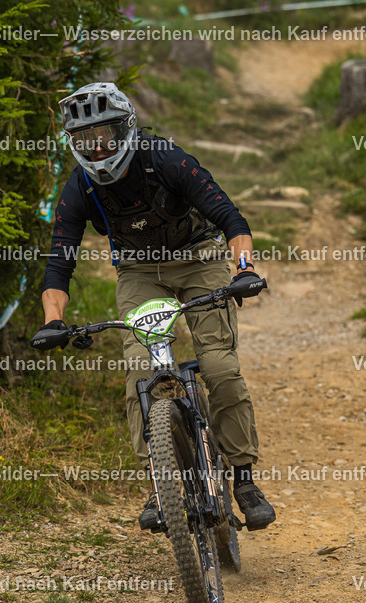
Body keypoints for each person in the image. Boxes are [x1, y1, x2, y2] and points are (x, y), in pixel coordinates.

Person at [30, 82, 275, 532]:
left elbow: (231, 219)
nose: (96, 147)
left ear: (125, 129)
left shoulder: (166, 159)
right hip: (140, 274)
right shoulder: (79, 187)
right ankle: (160, 482)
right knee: (142, 372)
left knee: (219, 366)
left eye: (103, 134)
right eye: (84, 139)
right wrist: (54, 322)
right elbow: (58, 264)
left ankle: (243, 480)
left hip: (199, 259)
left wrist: (243, 270)